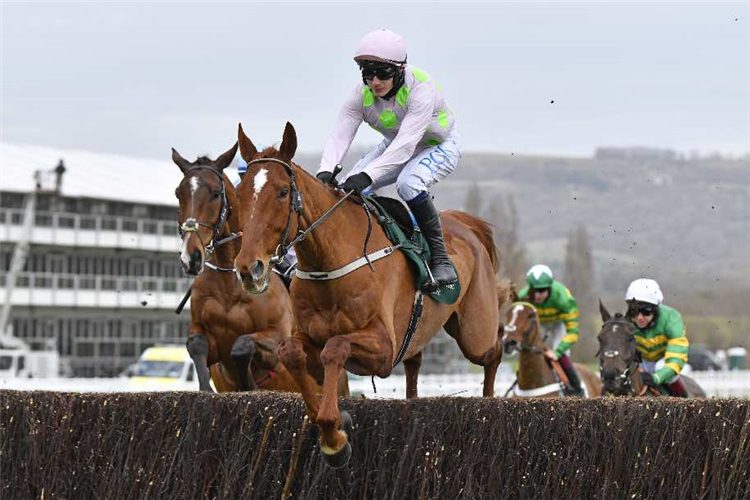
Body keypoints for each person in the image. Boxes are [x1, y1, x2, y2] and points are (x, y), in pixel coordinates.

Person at [316, 28, 461, 289]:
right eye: (367, 73)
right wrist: (325, 171)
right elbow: (340, 134)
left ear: (400, 69)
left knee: (409, 183)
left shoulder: (421, 88)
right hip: (397, 145)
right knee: (348, 189)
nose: (375, 82)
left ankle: (442, 261)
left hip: (437, 145)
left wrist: (368, 175)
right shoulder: (360, 94)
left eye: (382, 73)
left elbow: (406, 144)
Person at [518, 264, 584, 396]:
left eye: (542, 290)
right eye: (533, 290)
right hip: (539, 322)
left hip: (558, 322)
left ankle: (577, 389)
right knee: (529, 349)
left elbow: (573, 332)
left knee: (560, 354)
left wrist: (558, 352)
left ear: (549, 288)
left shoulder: (563, 298)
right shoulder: (523, 297)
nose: (537, 295)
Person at [624, 278, 689, 397]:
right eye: (634, 311)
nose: (639, 317)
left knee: (662, 368)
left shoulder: (671, 319)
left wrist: (657, 377)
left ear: (655, 309)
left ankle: (685, 402)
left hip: (663, 360)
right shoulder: (626, 322)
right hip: (642, 362)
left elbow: (676, 358)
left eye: (646, 311)